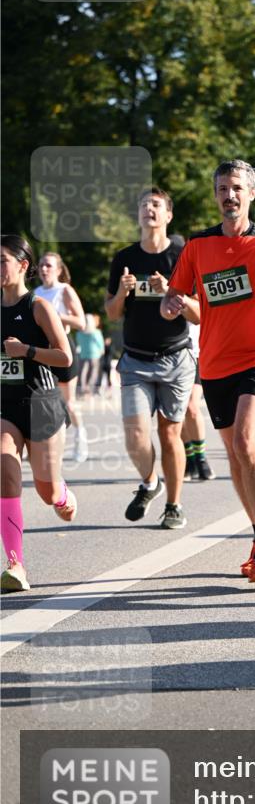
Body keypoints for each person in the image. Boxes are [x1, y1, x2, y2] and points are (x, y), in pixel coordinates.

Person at [163, 160, 255, 582]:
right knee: (234, 454)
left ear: (251, 194)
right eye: (221, 188)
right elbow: (183, 300)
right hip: (215, 364)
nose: (228, 195)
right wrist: (171, 304)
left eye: (235, 188)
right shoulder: (198, 246)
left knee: (247, 442)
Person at [105, 187, 198, 529]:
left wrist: (170, 290)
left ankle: (174, 505)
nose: (149, 209)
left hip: (175, 359)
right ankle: (150, 482)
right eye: (144, 205)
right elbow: (113, 313)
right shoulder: (124, 257)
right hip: (135, 360)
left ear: (168, 215)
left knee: (170, 434)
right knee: (135, 435)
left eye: (156, 205)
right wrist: (122, 292)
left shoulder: (183, 254)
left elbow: (199, 314)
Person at [1, 236, 77, 592]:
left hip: (42, 402)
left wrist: (26, 351)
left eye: (2, 260)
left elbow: (65, 358)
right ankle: (15, 565)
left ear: (22, 265)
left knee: (46, 490)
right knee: (5, 469)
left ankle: (61, 492)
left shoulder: (37, 306)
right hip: (6, 405)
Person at [34, 252, 88, 461]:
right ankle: (45, 447)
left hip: (63, 349)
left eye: (48, 266)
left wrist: (54, 315)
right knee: (43, 401)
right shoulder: (35, 293)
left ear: (58, 269)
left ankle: (80, 437)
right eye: (41, 266)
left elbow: (81, 322)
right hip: (42, 351)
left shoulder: (64, 291)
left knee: (68, 403)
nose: (44, 269)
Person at [182, 322, 215, 481]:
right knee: (178, 411)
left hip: (196, 352)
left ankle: (201, 458)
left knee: (191, 407)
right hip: (171, 353)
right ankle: (190, 458)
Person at [77, 313, 104, 396]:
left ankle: (81, 389)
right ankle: (88, 388)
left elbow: (79, 342)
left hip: (83, 354)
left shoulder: (79, 333)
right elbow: (100, 344)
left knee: (82, 372)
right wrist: (102, 350)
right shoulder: (96, 332)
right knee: (93, 373)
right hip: (94, 355)